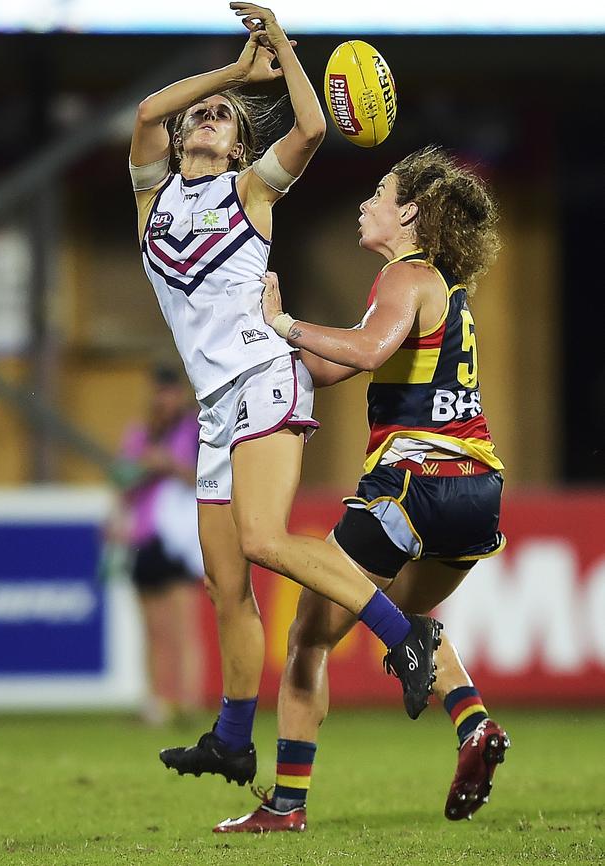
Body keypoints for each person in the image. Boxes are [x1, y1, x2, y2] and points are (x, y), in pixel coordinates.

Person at [130, 2, 441, 791]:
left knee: (264, 542)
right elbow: (143, 112)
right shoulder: (152, 200)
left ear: (239, 143)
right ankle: (233, 740)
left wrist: (277, 47)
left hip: (265, 375)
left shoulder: (251, 193)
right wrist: (234, 73)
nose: (204, 118)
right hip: (212, 408)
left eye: (223, 116)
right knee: (224, 584)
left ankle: (405, 639)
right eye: (196, 113)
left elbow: (308, 126)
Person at [213, 145, 511, 832]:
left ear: (408, 212)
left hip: (413, 485)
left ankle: (286, 806)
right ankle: (473, 724)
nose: (364, 203)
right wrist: (266, 349)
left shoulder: (405, 278)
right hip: (475, 492)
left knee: (311, 637)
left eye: (379, 192)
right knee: (408, 627)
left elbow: (367, 349)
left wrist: (285, 324)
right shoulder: (440, 291)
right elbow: (333, 366)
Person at [106, 364, 205, 725]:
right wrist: (116, 518)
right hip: (143, 536)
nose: (161, 399)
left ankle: (189, 702)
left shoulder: (193, 429)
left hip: (178, 538)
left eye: (167, 391)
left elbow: (206, 479)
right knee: (152, 628)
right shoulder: (140, 433)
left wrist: (169, 465)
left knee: (183, 626)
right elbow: (121, 479)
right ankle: (156, 702)